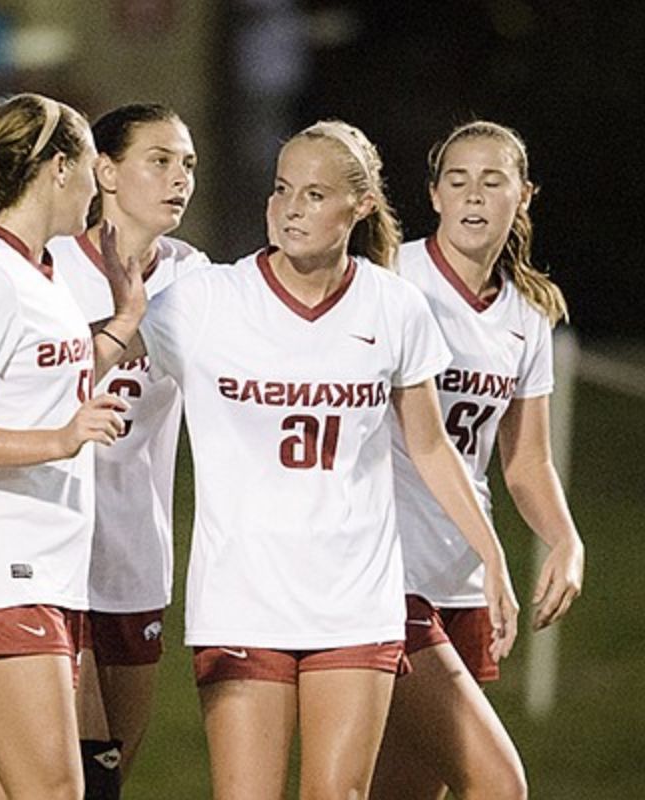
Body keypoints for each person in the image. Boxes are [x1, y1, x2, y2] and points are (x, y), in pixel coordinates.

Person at [106, 119, 520, 799]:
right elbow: (80, 352)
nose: (290, 208)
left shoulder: (393, 306)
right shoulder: (209, 301)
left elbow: (429, 445)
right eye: (281, 189)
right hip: (243, 597)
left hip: (357, 598)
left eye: (314, 194)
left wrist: (493, 555)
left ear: (358, 207)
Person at [0, 92, 144, 800]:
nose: (102, 183)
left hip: (41, 571)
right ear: (59, 169)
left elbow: (48, 380)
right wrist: (61, 437)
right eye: (92, 165)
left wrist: (125, 319)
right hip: (0, 575)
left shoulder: (38, 273)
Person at [371, 120, 585, 800]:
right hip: (384, 574)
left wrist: (565, 540)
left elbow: (525, 462)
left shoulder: (526, 315)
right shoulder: (389, 280)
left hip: (463, 579)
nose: (473, 195)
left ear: (524, 197)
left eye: (493, 181)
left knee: (403, 793)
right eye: (457, 179)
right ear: (433, 195)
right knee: (498, 785)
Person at [50, 102, 205, 797]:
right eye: (161, 160)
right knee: (82, 776)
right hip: (51, 558)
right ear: (104, 171)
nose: (180, 178)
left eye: (188, 165)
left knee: (110, 775)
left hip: (137, 558)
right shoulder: (47, 267)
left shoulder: (195, 279)